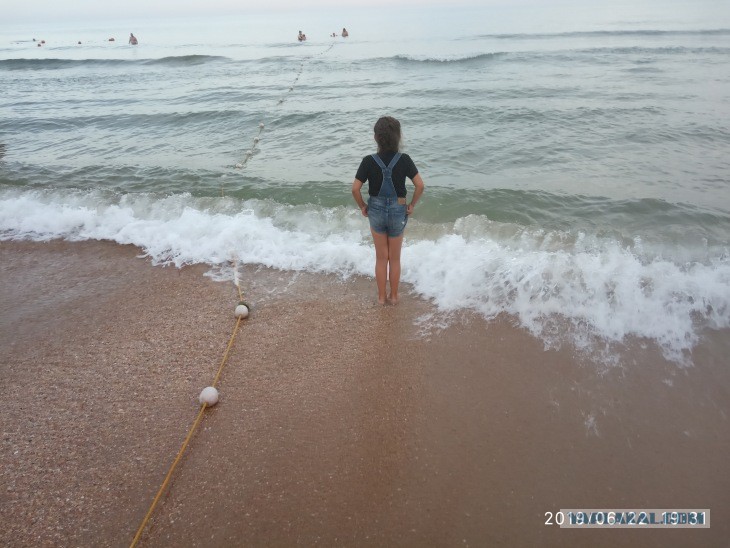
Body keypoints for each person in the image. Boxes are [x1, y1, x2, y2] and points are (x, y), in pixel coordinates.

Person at [351, 116, 425, 305]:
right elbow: (420, 186)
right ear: (398, 137)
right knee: (395, 259)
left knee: (381, 258)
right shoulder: (405, 160)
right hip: (398, 210)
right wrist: (411, 205)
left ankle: (381, 297)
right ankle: (394, 297)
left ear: (376, 137)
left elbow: (355, 189)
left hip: (375, 209)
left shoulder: (368, 161)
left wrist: (362, 207)